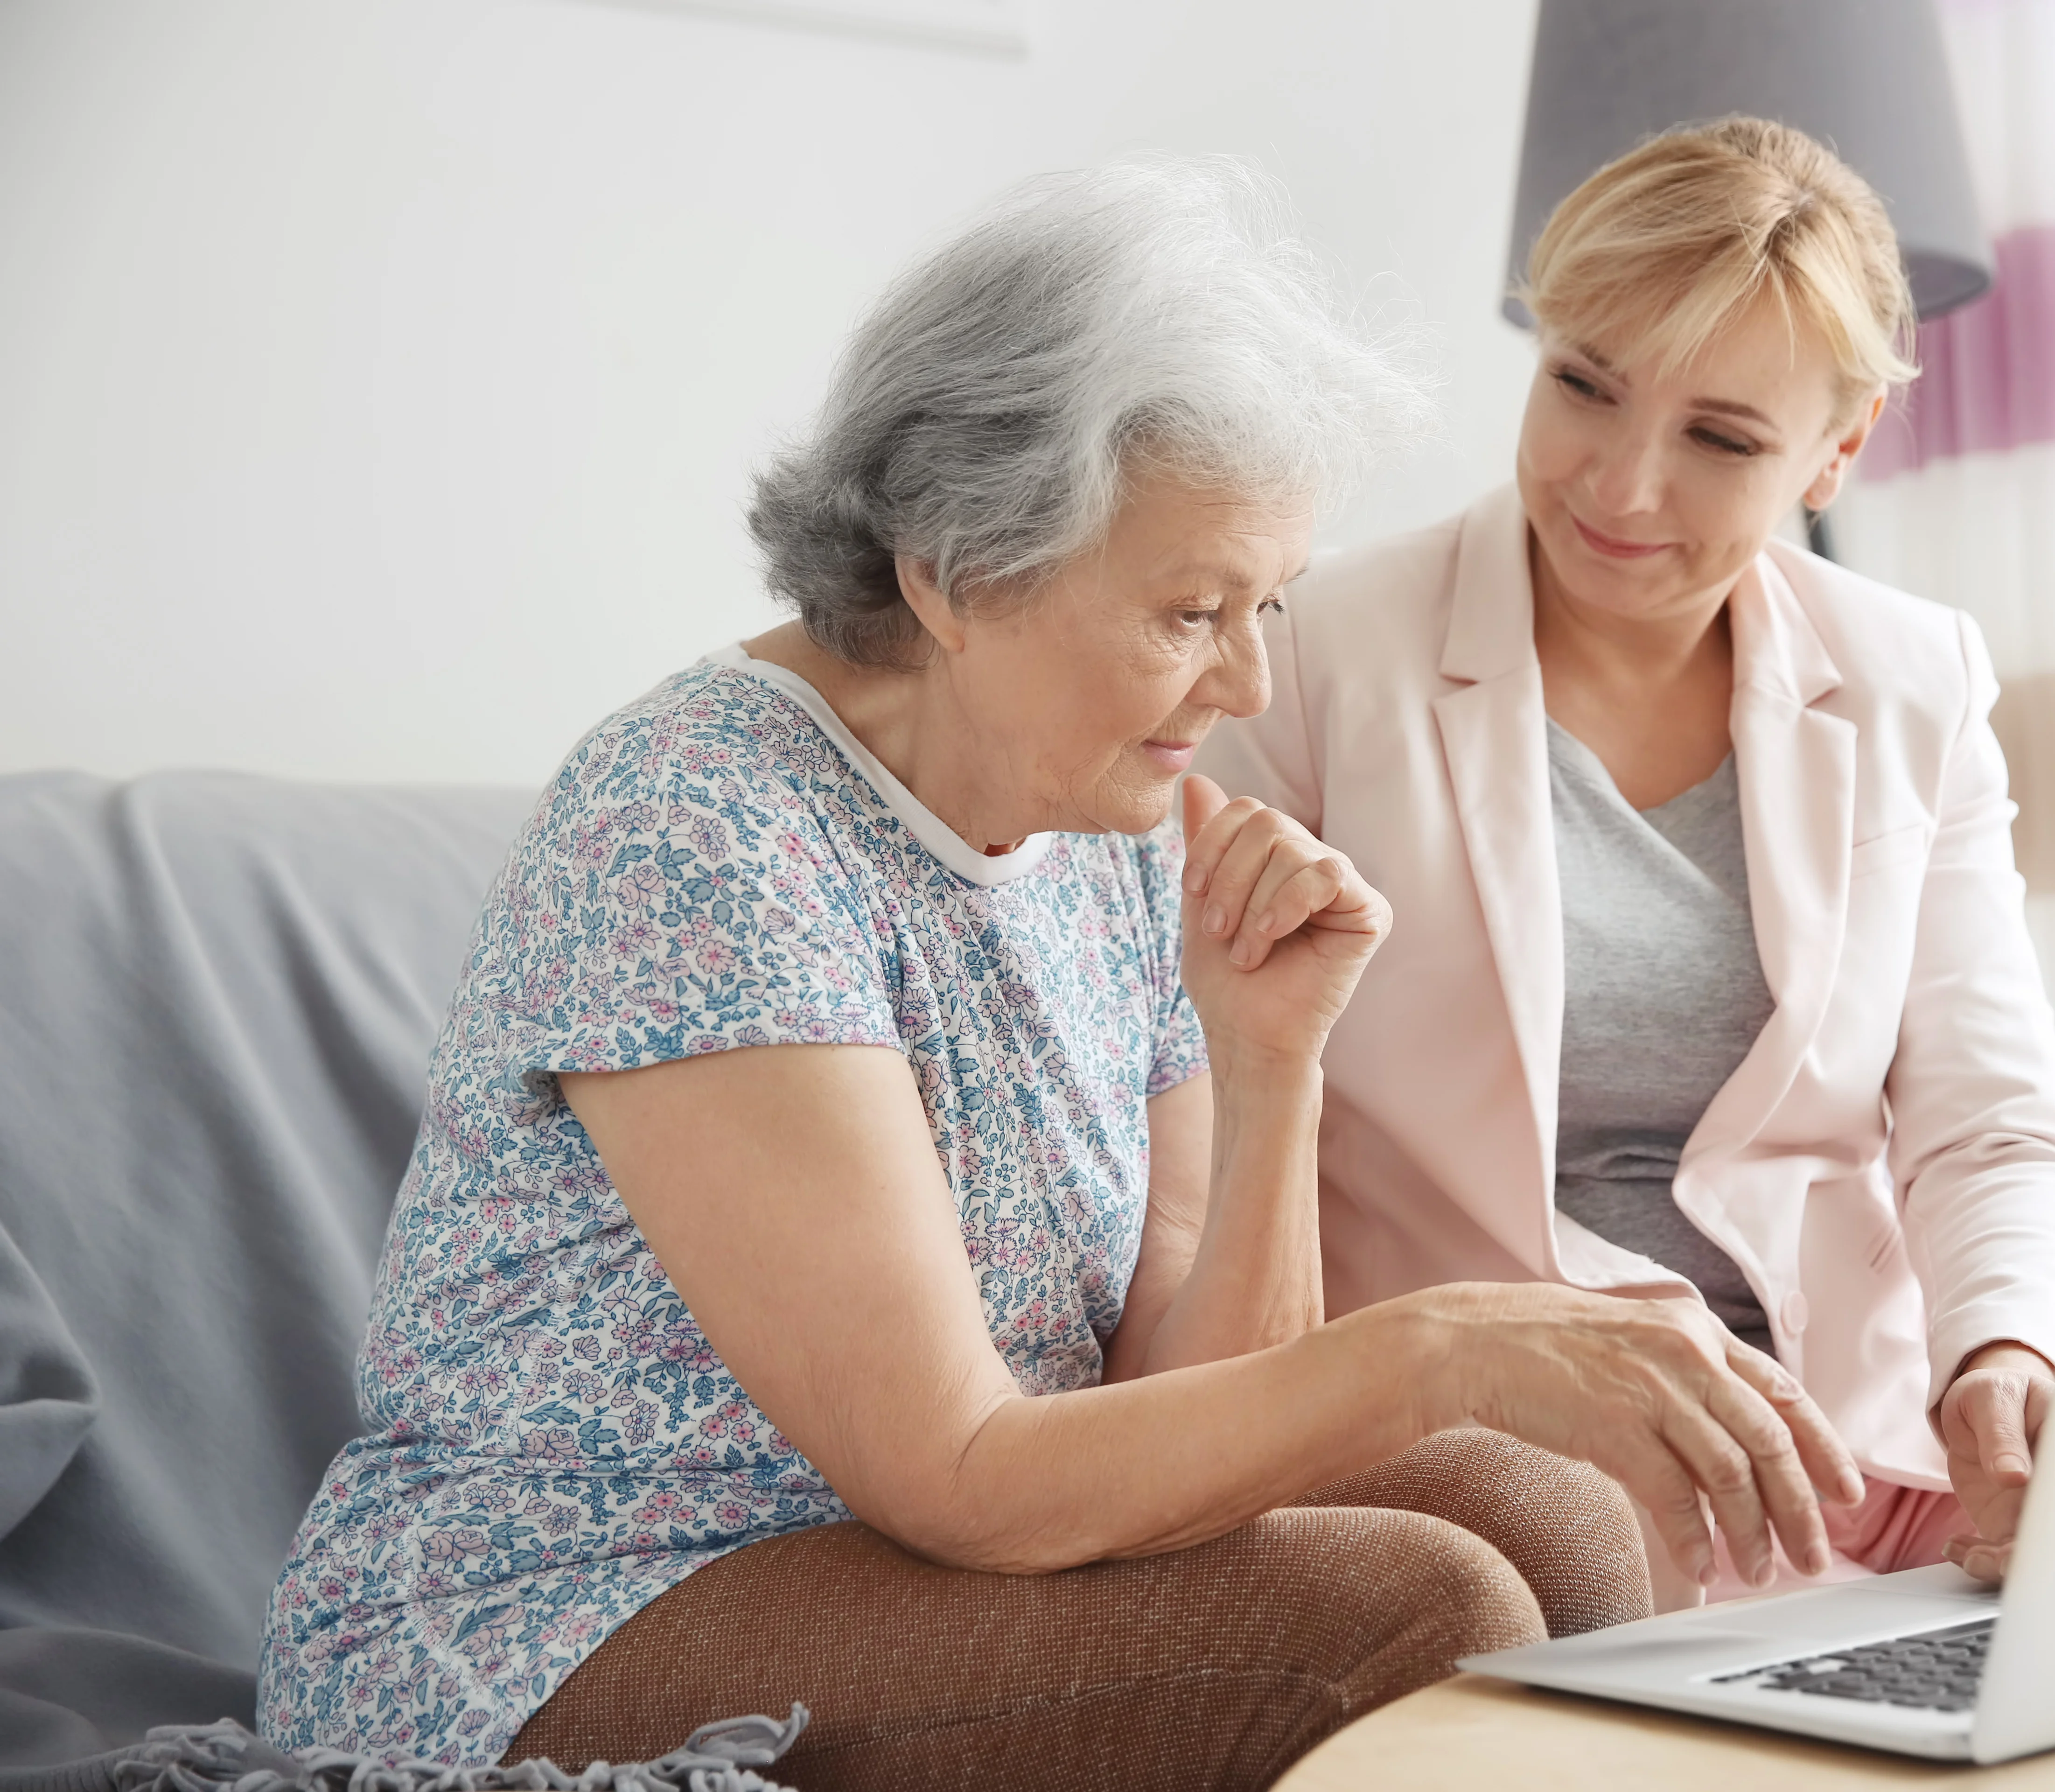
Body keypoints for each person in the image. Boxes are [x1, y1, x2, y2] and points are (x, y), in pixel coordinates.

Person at [256, 160, 1865, 1791]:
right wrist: (1441, 1345)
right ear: (952, 575)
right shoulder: (697, 830)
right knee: (1408, 1607)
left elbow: (1195, 1408)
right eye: (1189, 611)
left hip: (929, 1559)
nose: (1244, 677)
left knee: (1555, 1524)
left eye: (1267, 607)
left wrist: (1270, 1062)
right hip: (557, 1619)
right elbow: (960, 1469)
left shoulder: (1102, 809)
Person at [1195, 119, 2055, 1606]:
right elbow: (1211, 1138)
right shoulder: (1308, 661)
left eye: (1722, 439)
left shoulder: (1911, 681)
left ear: (1841, 445)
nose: (1620, 488)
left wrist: (2002, 1349)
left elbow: (1990, 1119)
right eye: (1583, 388)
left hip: (1849, 1477)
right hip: (1494, 1483)